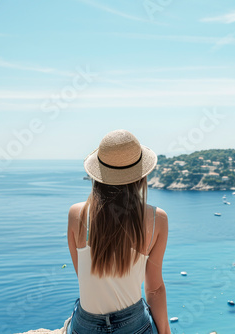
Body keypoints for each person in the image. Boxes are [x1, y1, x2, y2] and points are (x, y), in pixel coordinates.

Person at [65, 129, 171, 334]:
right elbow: (154, 289)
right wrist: (165, 332)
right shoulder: (157, 219)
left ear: (99, 173)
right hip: (134, 325)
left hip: (86, 326)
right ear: (140, 175)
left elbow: (85, 277)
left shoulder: (76, 215)